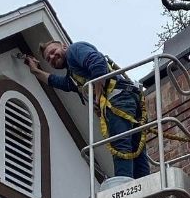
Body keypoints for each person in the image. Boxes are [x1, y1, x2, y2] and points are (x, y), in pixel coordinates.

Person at [23, 40, 151, 179]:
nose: (52, 57)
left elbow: (97, 62)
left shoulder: (74, 50)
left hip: (119, 99)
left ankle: (123, 185)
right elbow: (58, 82)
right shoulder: (74, 75)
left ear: (64, 46)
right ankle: (145, 187)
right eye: (48, 59)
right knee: (136, 150)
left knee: (120, 145)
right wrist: (35, 70)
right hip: (128, 99)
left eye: (53, 52)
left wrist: (98, 95)